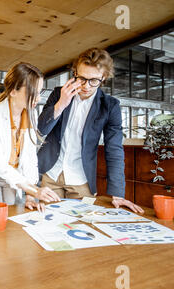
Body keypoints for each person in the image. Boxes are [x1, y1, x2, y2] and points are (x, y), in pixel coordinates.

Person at [37, 48, 143, 213]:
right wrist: (61, 103)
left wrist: (117, 193)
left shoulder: (110, 106)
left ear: (104, 77)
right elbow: (41, 129)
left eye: (93, 80)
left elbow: (114, 149)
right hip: (51, 174)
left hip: (81, 179)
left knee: (81, 228)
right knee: (46, 225)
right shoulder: (59, 94)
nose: (86, 86)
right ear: (75, 73)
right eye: (82, 79)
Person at [0, 62, 60, 212]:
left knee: (12, 215)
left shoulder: (31, 115)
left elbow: (30, 158)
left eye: (39, 92)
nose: (37, 98)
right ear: (13, 91)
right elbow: (0, 163)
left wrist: (30, 195)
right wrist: (34, 191)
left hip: (13, 178)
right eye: (32, 92)